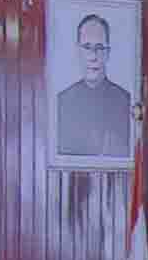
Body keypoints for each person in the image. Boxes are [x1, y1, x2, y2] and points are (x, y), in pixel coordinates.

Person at [49, 8, 131, 161]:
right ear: (77, 51)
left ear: (108, 53)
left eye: (99, 48)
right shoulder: (62, 102)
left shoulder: (126, 101)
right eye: (87, 47)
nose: (93, 56)